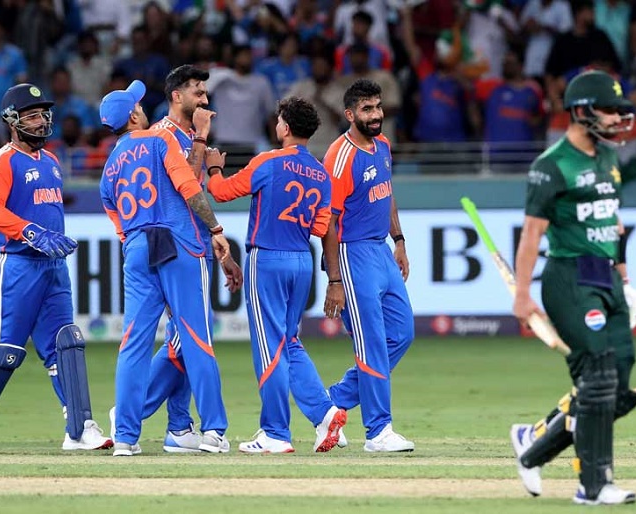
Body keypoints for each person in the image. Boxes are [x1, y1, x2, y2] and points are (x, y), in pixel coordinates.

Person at [509, 70, 636, 505]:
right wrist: (521, 294)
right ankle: (594, 486)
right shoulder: (551, 165)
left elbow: (614, 222)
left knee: (619, 373)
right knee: (599, 374)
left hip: (606, 276)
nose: (617, 119)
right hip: (570, 276)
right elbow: (531, 234)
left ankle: (534, 445)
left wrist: (625, 278)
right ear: (582, 111)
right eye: (609, 110)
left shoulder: (608, 158)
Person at [0, 83, 112, 452]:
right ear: (12, 120)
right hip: (18, 265)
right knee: (6, 347)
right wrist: (32, 232)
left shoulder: (51, 162)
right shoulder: (3, 160)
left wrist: (50, 238)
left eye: (43, 115)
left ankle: (80, 427)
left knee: (66, 344)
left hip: (53, 266)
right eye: (32, 116)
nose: (41, 122)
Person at [99, 80, 233, 457]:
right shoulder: (160, 141)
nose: (142, 108)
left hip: (137, 246)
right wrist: (215, 230)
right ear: (133, 116)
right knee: (196, 337)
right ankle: (214, 431)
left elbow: (119, 225)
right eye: (138, 105)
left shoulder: (109, 168)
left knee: (133, 342)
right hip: (177, 240)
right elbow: (189, 187)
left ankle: (125, 437)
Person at [206, 96, 348, 454]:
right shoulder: (321, 174)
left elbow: (221, 193)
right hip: (301, 260)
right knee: (288, 341)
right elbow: (320, 228)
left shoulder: (268, 161)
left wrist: (213, 169)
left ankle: (275, 433)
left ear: (284, 127)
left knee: (269, 347)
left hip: (267, 258)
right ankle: (325, 412)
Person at [321, 79, 415, 453]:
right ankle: (378, 432)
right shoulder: (340, 156)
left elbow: (386, 193)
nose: (376, 115)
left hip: (381, 251)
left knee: (402, 333)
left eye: (377, 107)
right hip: (352, 254)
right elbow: (328, 222)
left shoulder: (383, 145)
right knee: (372, 344)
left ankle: (332, 403)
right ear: (349, 114)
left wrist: (399, 240)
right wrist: (334, 280)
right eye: (367, 109)